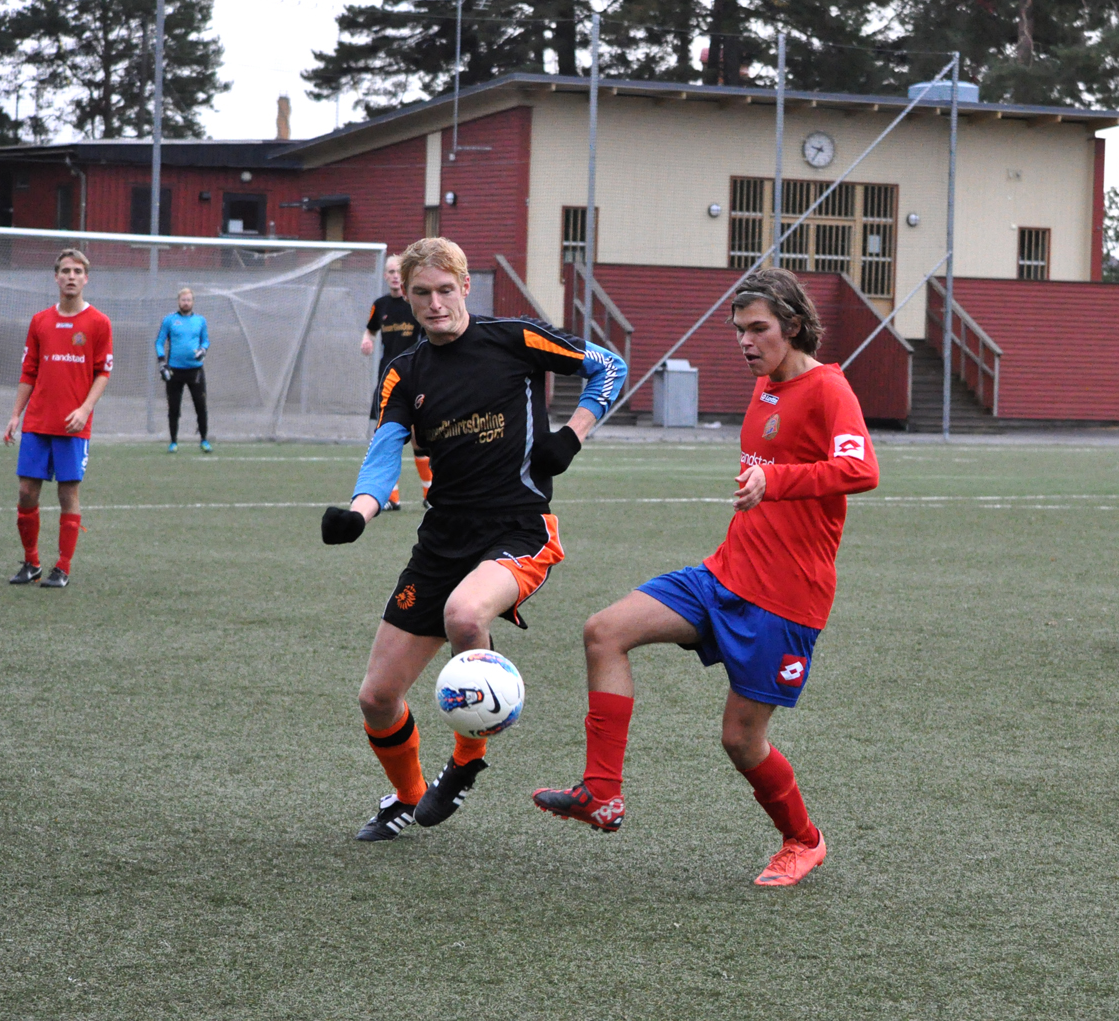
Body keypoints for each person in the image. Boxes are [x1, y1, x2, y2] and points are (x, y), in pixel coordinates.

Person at [532, 268, 879, 887]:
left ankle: (803, 841)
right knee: (604, 631)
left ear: (793, 326)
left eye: (758, 329)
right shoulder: (765, 386)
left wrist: (776, 480)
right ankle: (601, 793)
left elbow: (861, 470)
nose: (745, 341)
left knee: (741, 740)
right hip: (722, 574)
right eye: (739, 330)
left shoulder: (829, 388)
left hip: (785, 599)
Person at [322, 237, 626, 841]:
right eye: (421, 293)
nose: (435, 304)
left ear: (465, 287)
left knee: (465, 614)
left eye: (445, 290)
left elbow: (608, 366)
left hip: (518, 528)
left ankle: (466, 762)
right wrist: (358, 514)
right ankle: (409, 796)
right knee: (377, 698)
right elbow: (383, 453)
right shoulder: (405, 371)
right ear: (406, 298)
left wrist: (572, 434)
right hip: (441, 539)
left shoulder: (514, 338)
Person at [4, 248, 113, 588]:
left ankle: (62, 567)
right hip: (38, 421)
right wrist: (15, 415)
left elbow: (103, 372)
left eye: (77, 272)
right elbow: (29, 371)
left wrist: (84, 409)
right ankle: (32, 562)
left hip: (73, 425)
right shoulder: (40, 321)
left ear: (86, 279)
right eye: (65, 271)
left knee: (67, 494)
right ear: (55, 277)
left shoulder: (99, 322)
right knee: (26, 492)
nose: (71, 276)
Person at [362, 254, 432, 510]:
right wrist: (366, 339)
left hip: (414, 377)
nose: (394, 275)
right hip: (387, 379)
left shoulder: (415, 303)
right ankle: (391, 498)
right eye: (390, 271)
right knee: (386, 436)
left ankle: (430, 494)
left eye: (398, 271)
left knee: (417, 438)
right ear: (385, 275)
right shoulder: (379, 305)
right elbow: (371, 328)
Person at [155, 287, 211, 453]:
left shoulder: (200, 321)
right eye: (183, 300)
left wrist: (203, 350)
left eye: (188, 300)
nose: (186, 303)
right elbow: (159, 342)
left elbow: (206, 341)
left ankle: (204, 439)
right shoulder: (169, 320)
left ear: (193, 302)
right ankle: (173, 442)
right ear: (178, 302)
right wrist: (162, 362)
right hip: (174, 371)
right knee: (173, 408)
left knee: (200, 406)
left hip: (195, 371)